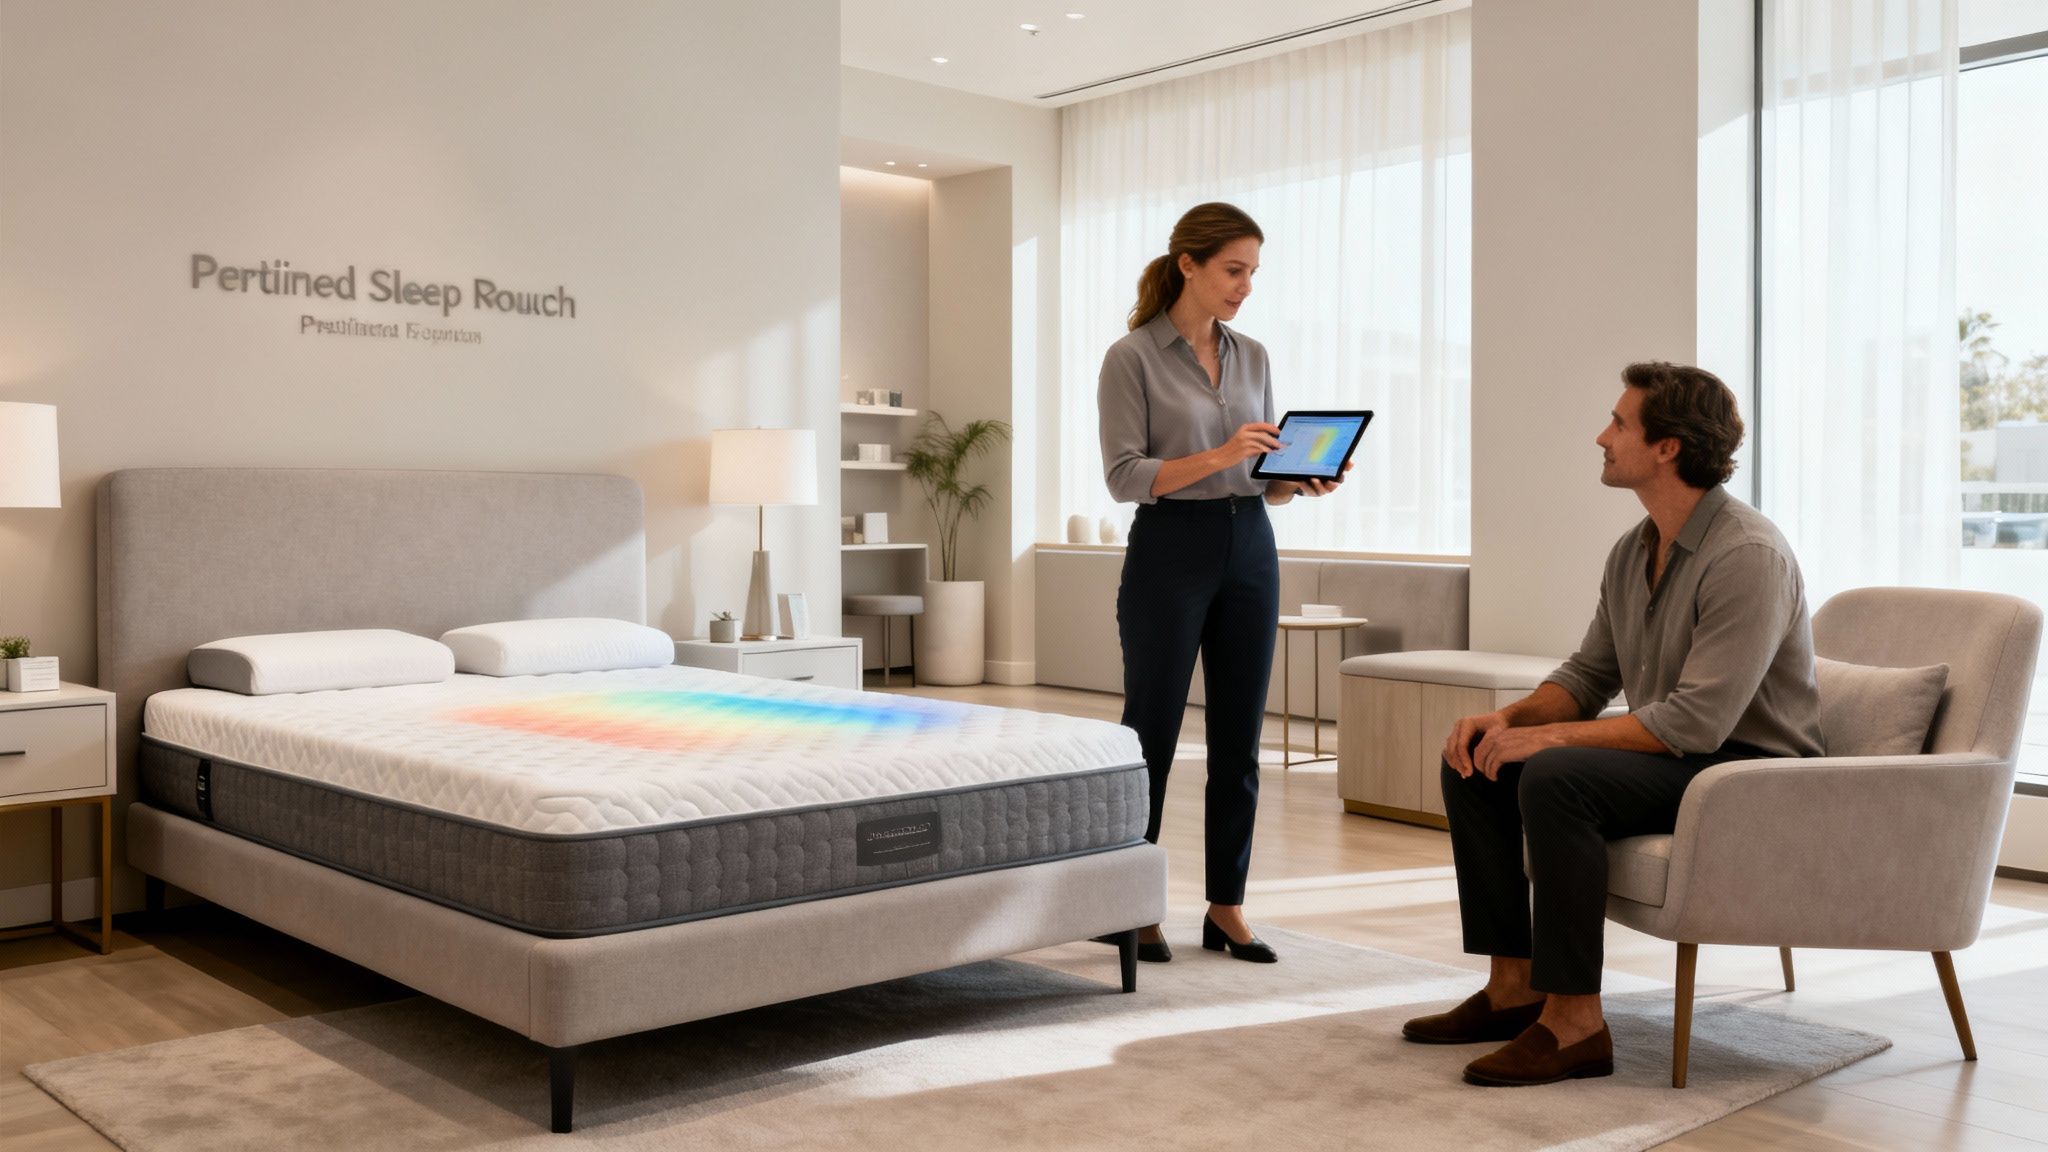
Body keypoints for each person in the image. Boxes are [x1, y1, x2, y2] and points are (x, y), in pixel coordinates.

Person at [1401, 361, 1823, 1085]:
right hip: (1682, 754)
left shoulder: (1747, 555)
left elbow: (1696, 721)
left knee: (1560, 776)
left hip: (1748, 770)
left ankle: (1575, 1024)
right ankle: (1516, 989)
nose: (1602, 435)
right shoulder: (1635, 550)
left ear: (1667, 446)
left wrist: (1548, 739)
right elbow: (1588, 677)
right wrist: (1504, 720)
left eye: (1620, 422)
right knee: (1477, 758)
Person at [1096, 202, 1351, 965]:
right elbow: (1123, 477)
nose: (1245, 286)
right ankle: (1133, 905)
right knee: (1152, 734)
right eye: (1233, 270)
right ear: (1190, 266)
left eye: (1252, 273)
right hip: (1170, 547)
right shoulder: (1131, 357)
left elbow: (1260, 473)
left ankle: (1227, 907)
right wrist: (1220, 453)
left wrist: (1296, 482)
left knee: (1241, 738)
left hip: (1250, 543)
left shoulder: (1255, 356)